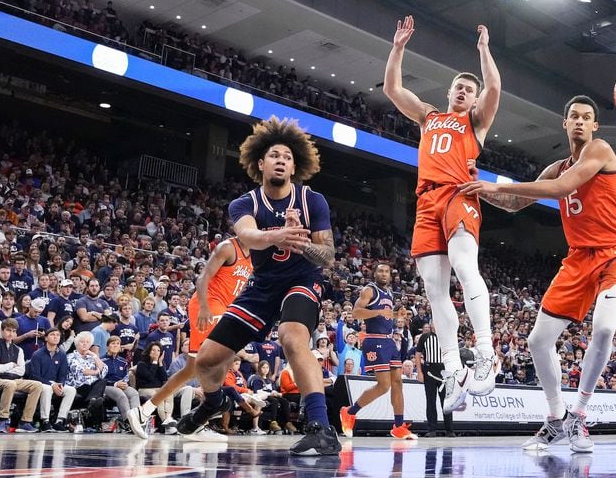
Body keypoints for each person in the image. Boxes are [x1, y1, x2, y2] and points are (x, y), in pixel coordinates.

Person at [462, 95, 616, 453]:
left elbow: (560, 189)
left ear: (595, 126)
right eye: (573, 116)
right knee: (537, 341)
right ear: (564, 123)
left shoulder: (601, 150)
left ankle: (579, 414)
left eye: (586, 117)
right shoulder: (556, 166)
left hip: (614, 253)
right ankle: (557, 418)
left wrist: (498, 185)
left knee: (604, 328)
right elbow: (513, 204)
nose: (579, 122)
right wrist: (481, 187)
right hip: (577, 260)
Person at [175, 117, 340, 455]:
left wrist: (302, 243)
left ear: (295, 167)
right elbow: (247, 235)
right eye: (274, 155)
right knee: (206, 360)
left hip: (302, 280)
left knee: (292, 338)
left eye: (287, 157)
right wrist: (278, 235)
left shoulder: (312, 201)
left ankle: (321, 427)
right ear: (260, 163)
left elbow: (328, 257)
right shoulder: (245, 203)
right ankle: (212, 404)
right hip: (262, 286)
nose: (281, 160)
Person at [383, 16, 501, 411]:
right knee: (435, 291)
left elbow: (496, 87)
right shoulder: (429, 117)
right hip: (426, 202)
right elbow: (393, 89)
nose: (465, 92)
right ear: (449, 91)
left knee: (467, 270)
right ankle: (454, 371)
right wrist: (398, 47)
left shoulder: (475, 121)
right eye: (460, 87)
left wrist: (484, 51)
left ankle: (486, 353)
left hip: (457, 195)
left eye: (471, 89)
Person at [132, 233, 252, 436]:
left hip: (223, 308)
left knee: (192, 370)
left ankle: (144, 411)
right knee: (224, 352)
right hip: (207, 306)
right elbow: (203, 277)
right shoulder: (228, 248)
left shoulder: (255, 257)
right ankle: (211, 407)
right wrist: (204, 307)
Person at [339, 262, 415, 439]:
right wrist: (378, 312)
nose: (384, 274)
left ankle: (398, 426)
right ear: (375, 274)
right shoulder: (369, 290)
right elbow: (356, 312)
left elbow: (385, 315)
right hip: (374, 340)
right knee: (384, 385)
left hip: (389, 341)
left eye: (387, 272)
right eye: (380, 271)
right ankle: (349, 412)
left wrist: (397, 316)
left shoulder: (389, 292)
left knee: (398, 383)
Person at [0, 318, 43, 432]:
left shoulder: (18, 350)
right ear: (2, 331)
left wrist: (2, 367)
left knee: (37, 385)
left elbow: (21, 371)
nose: (11, 333)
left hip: (15, 380)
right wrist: (11, 365)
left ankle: (25, 421)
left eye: (13, 331)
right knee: (10, 384)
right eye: (8, 330)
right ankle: (2, 420)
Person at [26, 327, 76, 431]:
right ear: (46, 338)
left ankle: (59, 420)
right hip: (41, 383)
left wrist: (60, 384)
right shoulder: (37, 354)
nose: (56, 337)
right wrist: (52, 384)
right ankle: (45, 421)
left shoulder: (62, 355)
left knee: (71, 390)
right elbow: (34, 375)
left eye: (58, 335)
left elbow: (63, 374)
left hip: (55, 384)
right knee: (47, 389)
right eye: (53, 335)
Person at [414, 322, 452, 437]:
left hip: (444, 370)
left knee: (446, 401)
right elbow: (417, 354)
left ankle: (449, 429)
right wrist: (419, 372)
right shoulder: (425, 337)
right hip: (429, 370)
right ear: (431, 325)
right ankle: (432, 429)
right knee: (430, 401)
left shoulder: (447, 337)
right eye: (434, 323)